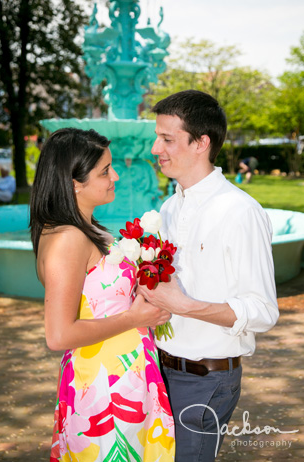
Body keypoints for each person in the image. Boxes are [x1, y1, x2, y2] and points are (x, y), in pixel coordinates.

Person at [140, 90, 279, 462]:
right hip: (158, 371)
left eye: (167, 139)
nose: (156, 148)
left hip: (205, 381)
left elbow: (263, 311)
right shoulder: (169, 208)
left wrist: (186, 306)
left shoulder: (240, 212)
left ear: (201, 143)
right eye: (158, 137)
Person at [29, 128, 176, 461]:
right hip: (105, 388)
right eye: (105, 170)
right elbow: (59, 334)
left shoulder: (82, 228)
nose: (116, 175)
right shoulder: (67, 238)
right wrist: (136, 317)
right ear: (74, 183)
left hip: (123, 375)